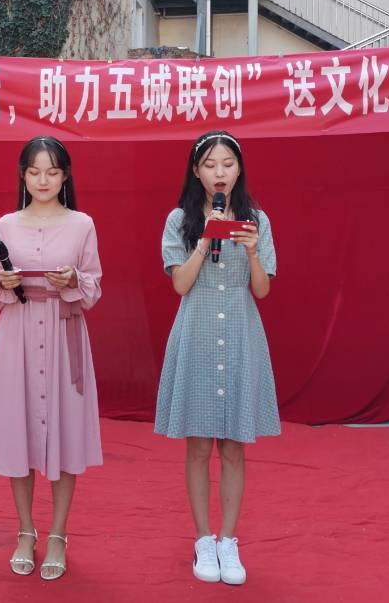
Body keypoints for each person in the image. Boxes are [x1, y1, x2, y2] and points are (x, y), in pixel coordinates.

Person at [155, 130, 280, 586]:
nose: (220, 172)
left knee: (233, 447)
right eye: (210, 165)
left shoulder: (257, 220)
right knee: (198, 445)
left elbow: (262, 290)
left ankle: (229, 539)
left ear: (239, 169)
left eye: (227, 163)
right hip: (197, 337)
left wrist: (251, 250)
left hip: (241, 337)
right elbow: (180, 284)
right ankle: (203, 538)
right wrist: (204, 239)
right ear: (196, 172)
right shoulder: (179, 220)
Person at [0, 136, 103, 581]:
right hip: (16, 333)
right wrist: (5, 282)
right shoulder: (6, 224)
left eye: (52, 172)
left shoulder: (82, 224)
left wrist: (72, 280)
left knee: (64, 433)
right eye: (34, 172)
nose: (43, 180)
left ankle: (57, 534)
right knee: (18, 431)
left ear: (65, 176)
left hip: (62, 331)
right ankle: (24, 530)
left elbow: (93, 287)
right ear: (23, 176)